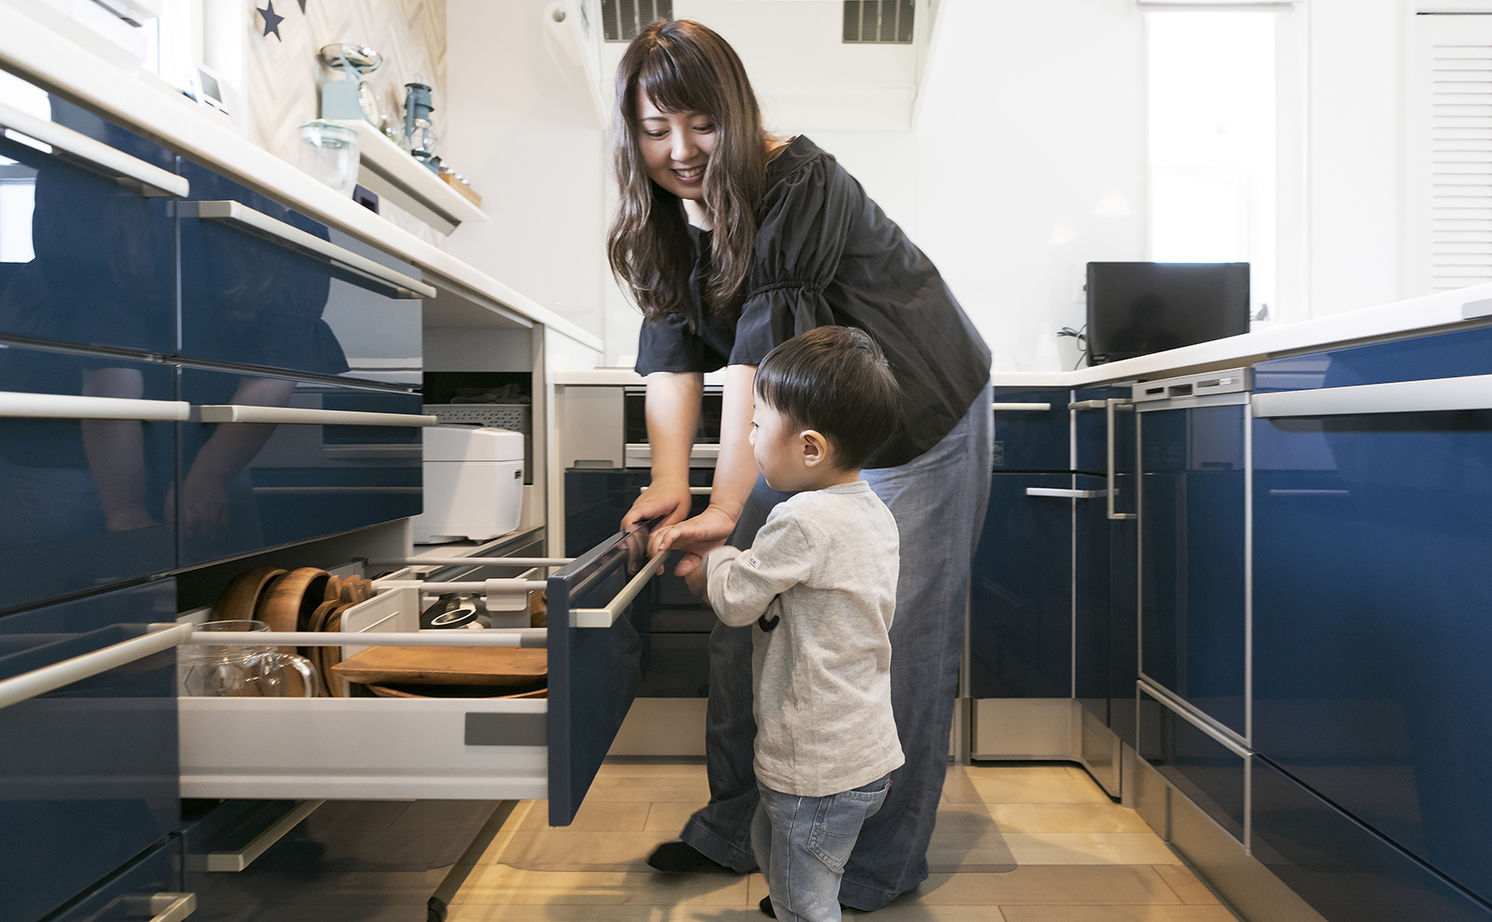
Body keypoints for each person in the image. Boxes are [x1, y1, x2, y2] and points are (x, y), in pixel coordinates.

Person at [611, 19, 994, 912]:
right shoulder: (665, 219)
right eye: (656, 129)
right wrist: (676, 487)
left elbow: (756, 355)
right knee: (738, 607)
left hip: (919, 417)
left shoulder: (798, 180)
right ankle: (736, 827)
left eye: (701, 124)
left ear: (737, 113)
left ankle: (871, 869)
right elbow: (672, 358)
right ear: (630, 133)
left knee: (883, 643)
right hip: (798, 431)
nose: (681, 151)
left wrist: (725, 498)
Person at [670, 325, 903, 922]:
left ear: (809, 448)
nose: (747, 438)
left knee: (804, 900)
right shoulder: (870, 510)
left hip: (813, 766)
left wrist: (714, 563)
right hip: (862, 754)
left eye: (756, 423)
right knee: (787, 868)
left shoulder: (798, 519)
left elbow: (738, 601)